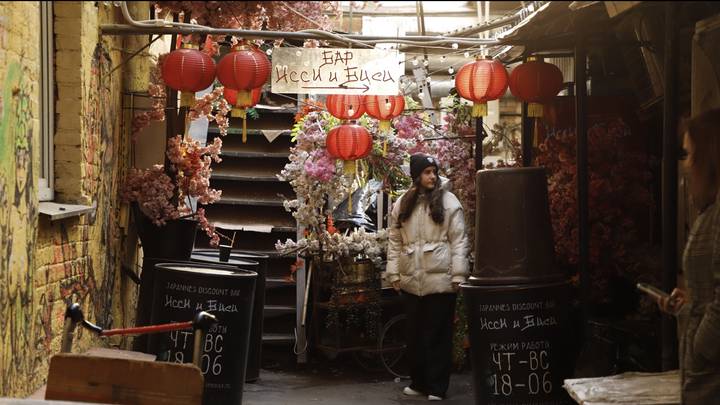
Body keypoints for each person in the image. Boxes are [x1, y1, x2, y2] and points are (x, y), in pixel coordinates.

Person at [386, 153, 469, 401]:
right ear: (416, 176)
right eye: (427, 172)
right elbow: (394, 240)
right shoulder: (403, 203)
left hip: (441, 281)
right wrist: (393, 272)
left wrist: (459, 274)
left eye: (434, 171)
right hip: (412, 281)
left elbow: (460, 240)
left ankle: (437, 387)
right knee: (414, 336)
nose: (432, 176)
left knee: (437, 336)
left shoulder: (449, 201)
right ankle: (419, 382)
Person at [658, 109, 720, 403]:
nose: (686, 165)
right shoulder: (711, 210)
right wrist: (689, 303)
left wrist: (701, 346)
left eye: (689, 154)